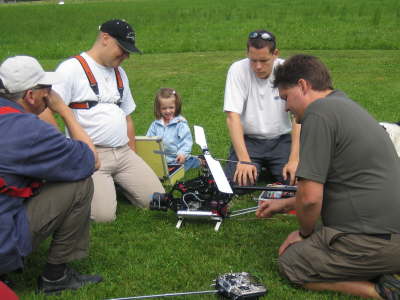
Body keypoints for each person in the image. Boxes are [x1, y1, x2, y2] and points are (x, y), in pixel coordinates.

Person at [256, 54, 400, 299]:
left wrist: (303, 234)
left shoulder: (318, 114)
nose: (286, 107)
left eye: (286, 97)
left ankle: (383, 291)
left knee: (292, 263)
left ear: (302, 86)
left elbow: (311, 199)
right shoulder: (342, 105)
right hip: (387, 232)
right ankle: (385, 270)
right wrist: (286, 204)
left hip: (378, 241)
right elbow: (338, 184)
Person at [40, 19, 165, 223]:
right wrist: (66, 149)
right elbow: (45, 111)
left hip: (123, 153)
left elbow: (128, 118)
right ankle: (85, 185)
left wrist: (133, 156)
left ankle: (116, 184)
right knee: (103, 217)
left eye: (128, 52)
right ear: (105, 38)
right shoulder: (71, 68)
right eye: (122, 49)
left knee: (158, 201)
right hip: (92, 156)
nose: (126, 56)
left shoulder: (120, 73)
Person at [0, 55, 102, 294]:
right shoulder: (27, 130)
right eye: (46, 87)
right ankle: (56, 277)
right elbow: (90, 160)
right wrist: (64, 111)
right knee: (80, 184)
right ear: (30, 95)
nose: (50, 92)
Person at [223, 29, 301, 186]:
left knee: (297, 180)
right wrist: (244, 160)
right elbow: (232, 117)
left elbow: (298, 117)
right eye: (253, 60)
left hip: (282, 140)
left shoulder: (287, 71)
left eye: (264, 61)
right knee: (236, 184)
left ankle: (265, 168)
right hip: (249, 141)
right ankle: (261, 167)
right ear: (247, 53)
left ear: (275, 53)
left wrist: (294, 159)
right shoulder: (237, 70)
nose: (257, 66)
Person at [146, 88, 200, 171]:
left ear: (176, 106)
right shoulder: (155, 124)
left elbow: (186, 141)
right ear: (158, 108)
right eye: (164, 108)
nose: (168, 111)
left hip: (177, 158)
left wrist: (182, 154)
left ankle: (197, 160)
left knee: (178, 169)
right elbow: (149, 140)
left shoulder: (180, 124)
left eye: (171, 107)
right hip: (162, 158)